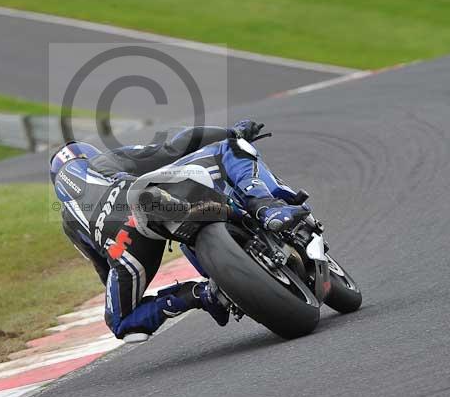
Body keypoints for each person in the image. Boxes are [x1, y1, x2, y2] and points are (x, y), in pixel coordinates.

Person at [49, 120, 308, 341]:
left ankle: (201, 295)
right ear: (86, 157)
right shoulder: (102, 162)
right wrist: (230, 131)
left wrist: (121, 277)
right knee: (229, 148)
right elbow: (172, 147)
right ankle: (266, 207)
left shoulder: (68, 222)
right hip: (138, 200)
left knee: (121, 323)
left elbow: (101, 267)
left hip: (123, 248)